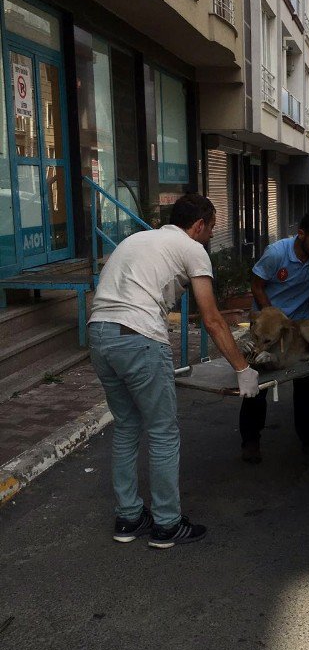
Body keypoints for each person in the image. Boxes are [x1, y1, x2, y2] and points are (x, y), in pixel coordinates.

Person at [88, 193, 259, 550]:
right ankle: (167, 524)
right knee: (164, 432)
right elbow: (212, 319)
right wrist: (242, 368)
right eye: (211, 230)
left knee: (126, 427)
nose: (210, 237)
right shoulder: (191, 247)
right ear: (199, 226)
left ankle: (129, 517)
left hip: (99, 333)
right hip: (139, 337)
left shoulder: (138, 238)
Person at [240, 210, 309, 464]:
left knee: (306, 386)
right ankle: (251, 442)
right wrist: (271, 317)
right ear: (301, 234)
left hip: (295, 327)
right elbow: (256, 285)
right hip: (267, 326)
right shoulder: (277, 253)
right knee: (257, 382)